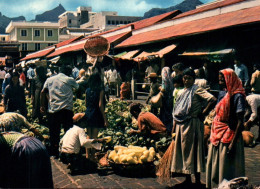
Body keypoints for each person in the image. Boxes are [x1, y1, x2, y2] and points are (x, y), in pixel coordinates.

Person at [171, 68, 216, 185]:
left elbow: (212, 99)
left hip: (193, 125)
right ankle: (187, 179)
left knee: (195, 151)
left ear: (193, 79)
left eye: (189, 78)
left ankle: (196, 180)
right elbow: (177, 111)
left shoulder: (197, 90)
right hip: (182, 125)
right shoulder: (181, 92)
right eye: (185, 78)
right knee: (184, 151)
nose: (186, 80)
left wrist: (204, 112)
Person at [206, 68, 246, 188]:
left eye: (223, 79)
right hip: (217, 133)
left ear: (230, 79)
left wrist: (232, 143)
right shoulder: (223, 93)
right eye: (219, 79)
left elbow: (240, 122)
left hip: (230, 135)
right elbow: (218, 115)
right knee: (215, 165)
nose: (220, 81)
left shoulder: (238, 96)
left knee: (227, 167)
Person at [40, 65, 79, 158]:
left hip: (53, 110)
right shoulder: (69, 79)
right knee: (68, 132)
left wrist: (42, 105)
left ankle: (54, 152)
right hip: (66, 110)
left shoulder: (50, 80)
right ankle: (67, 151)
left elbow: (43, 92)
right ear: (68, 72)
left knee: (54, 132)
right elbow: (78, 87)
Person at [82, 73, 108, 160]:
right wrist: (105, 118)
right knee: (95, 136)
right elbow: (100, 105)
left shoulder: (87, 90)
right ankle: (93, 156)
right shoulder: (100, 91)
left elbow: (86, 103)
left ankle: (87, 155)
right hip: (96, 113)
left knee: (88, 135)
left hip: (88, 112)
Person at [159, 67, 174, 133]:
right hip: (171, 99)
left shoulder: (165, 80)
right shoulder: (171, 80)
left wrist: (160, 88)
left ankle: (166, 129)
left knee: (165, 114)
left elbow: (164, 89)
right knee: (170, 114)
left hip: (166, 100)